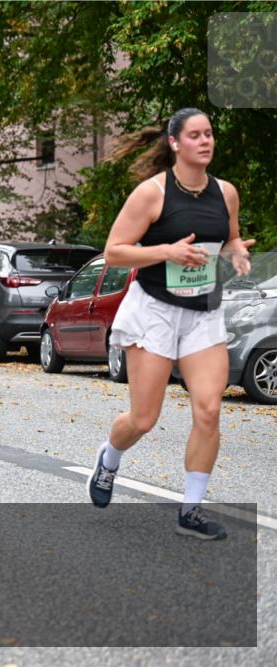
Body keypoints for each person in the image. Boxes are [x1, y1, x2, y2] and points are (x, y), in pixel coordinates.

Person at [88, 108, 254, 540]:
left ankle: (191, 511)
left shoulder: (226, 193)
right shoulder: (152, 193)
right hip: (154, 310)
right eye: (195, 135)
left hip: (203, 313)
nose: (205, 141)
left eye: (209, 134)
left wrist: (236, 253)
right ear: (175, 143)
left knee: (209, 408)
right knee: (143, 419)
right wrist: (166, 252)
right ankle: (108, 459)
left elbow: (231, 236)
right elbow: (115, 251)